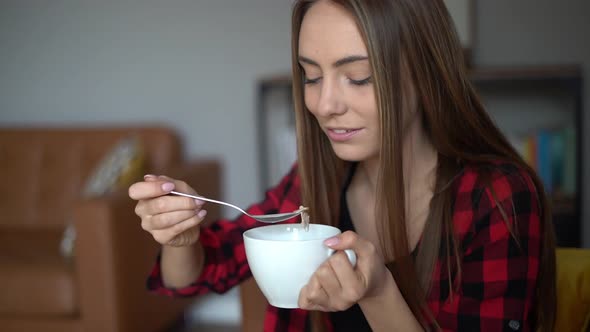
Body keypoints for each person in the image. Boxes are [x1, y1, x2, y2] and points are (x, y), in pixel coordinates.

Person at [129, 0, 556, 331]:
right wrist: (180, 239)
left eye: (359, 77)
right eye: (311, 77)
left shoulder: (499, 199)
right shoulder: (315, 181)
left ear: (426, 76)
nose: (324, 105)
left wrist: (377, 292)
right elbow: (199, 274)